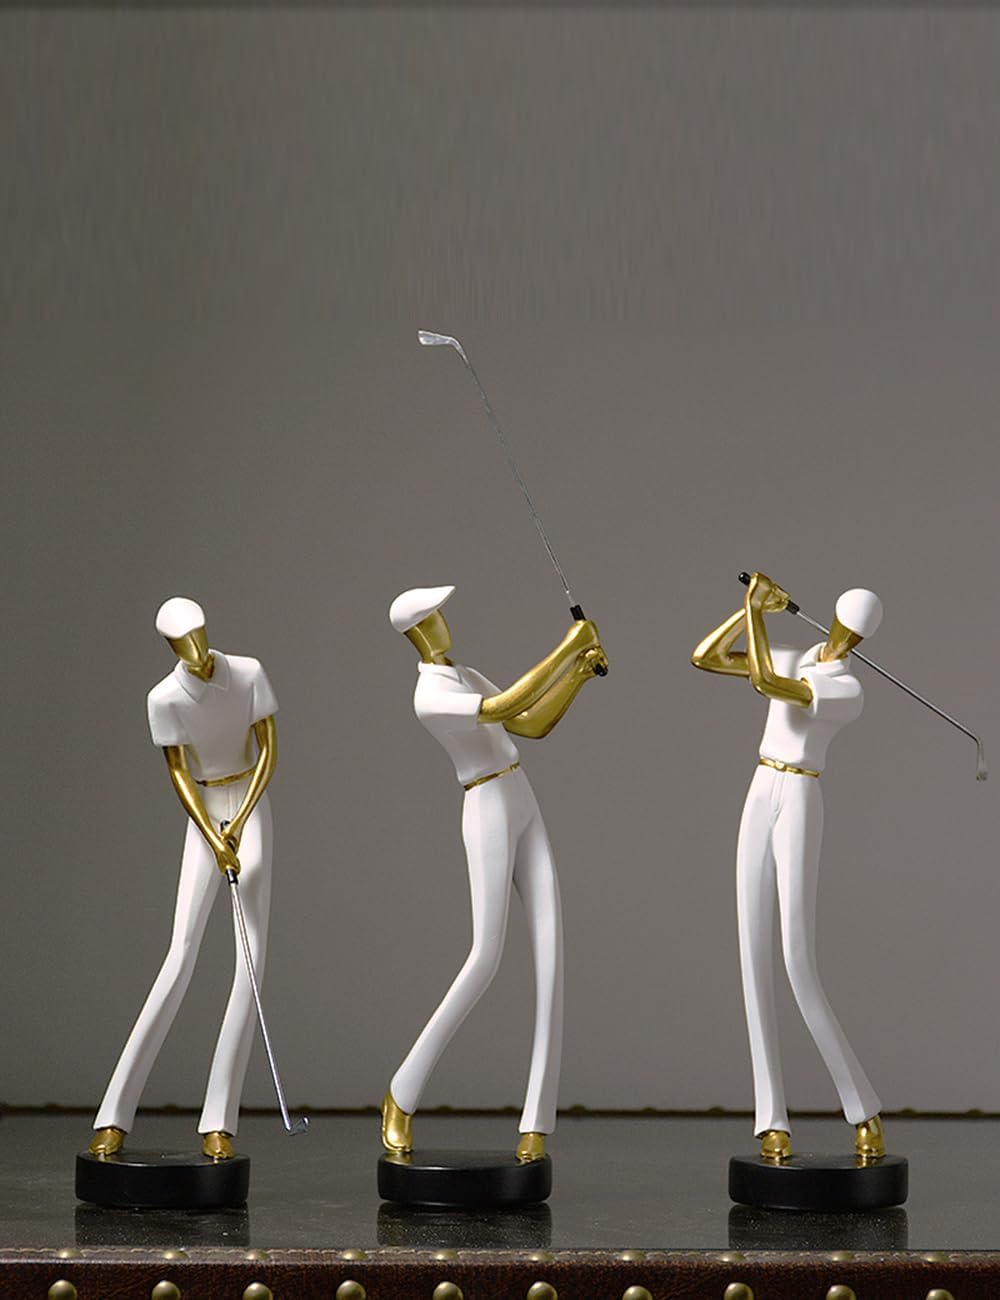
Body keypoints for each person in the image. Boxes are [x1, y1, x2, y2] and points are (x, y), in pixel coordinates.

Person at [381, 585, 608, 1163]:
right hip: (485, 806)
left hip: (519, 793)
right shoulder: (429, 694)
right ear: (419, 630)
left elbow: (529, 724)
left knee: (552, 957)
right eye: (436, 617)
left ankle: (536, 1123)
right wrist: (566, 648)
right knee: (484, 955)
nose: (445, 622)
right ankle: (402, 1092)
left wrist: (579, 675)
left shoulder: (462, 673)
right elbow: (503, 707)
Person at [692, 572, 885, 1162]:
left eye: (855, 633)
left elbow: (765, 682)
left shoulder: (848, 689)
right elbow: (706, 657)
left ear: (861, 639)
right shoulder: (799, 653)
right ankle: (770, 1119)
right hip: (761, 787)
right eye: (844, 625)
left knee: (797, 960)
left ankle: (863, 1108)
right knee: (751, 956)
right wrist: (747, 611)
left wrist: (755, 608)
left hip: (801, 795)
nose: (845, 637)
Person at [89, 597, 277, 1161]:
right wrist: (215, 837)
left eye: (199, 632)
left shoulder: (248, 672)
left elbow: (269, 750)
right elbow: (178, 773)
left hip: (250, 804)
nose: (195, 646)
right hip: (203, 812)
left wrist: (239, 824)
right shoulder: (164, 698)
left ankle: (220, 1121)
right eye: (182, 640)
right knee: (180, 953)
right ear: (170, 646)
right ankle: (113, 1115)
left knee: (250, 961)